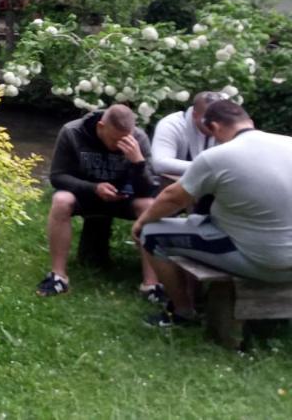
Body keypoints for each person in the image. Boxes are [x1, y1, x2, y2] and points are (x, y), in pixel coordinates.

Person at [134, 100, 292, 328]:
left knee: (151, 234)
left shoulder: (218, 156)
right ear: (250, 122)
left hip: (265, 264)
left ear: (215, 127)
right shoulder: (288, 143)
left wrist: (140, 222)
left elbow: (173, 198)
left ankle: (183, 312)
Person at [36, 104, 161, 298]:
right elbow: (58, 176)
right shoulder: (73, 132)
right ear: (101, 126)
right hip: (86, 193)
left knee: (149, 206)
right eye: (114, 139)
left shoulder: (138, 138)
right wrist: (93, 188)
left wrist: (138, 163)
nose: (118, 145)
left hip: (124, 197)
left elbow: (149, 189)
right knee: (61, 200)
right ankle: (58, 276)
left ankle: (151, 285)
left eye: (124, 139)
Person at [151, 91, 223, 180]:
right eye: (209, 118)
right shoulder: (171, 124)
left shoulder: (228, 125)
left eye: (220, 117)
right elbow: (160, 164)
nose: (216, 124)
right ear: (195, 115)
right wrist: (209, 168)